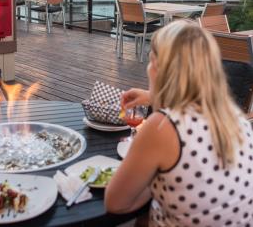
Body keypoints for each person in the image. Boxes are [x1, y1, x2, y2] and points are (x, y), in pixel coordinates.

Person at [105, 20, 253, 226]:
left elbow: (116, 203)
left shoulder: (162, 127)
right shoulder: (236, 118)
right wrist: (151, 97)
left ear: (157, 67)